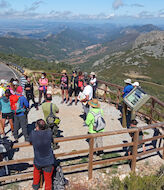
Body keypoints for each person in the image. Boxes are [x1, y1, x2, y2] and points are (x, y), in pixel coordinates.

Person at [29, 119, 54, 190]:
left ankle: (35, 186)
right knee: (48, 179)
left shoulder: (33, 133)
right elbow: (52, 140)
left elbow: (30, 140)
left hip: (38, 160)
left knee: (36, 172)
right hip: (48, 160)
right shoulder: (49, 132)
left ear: (37, 127)